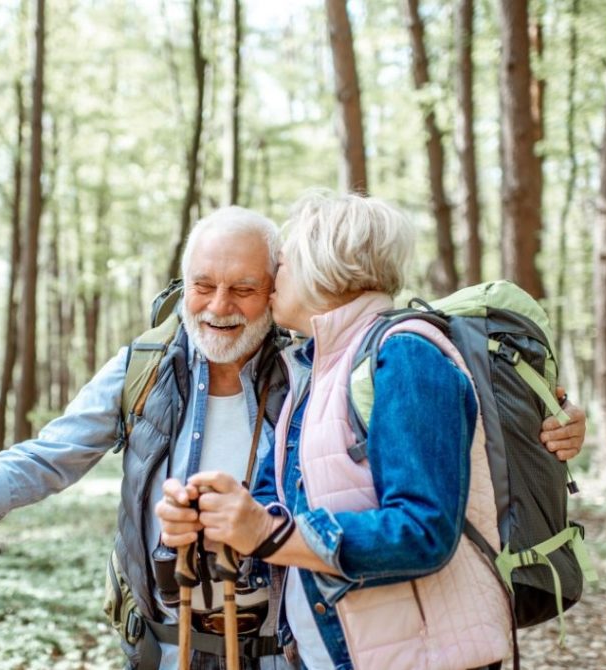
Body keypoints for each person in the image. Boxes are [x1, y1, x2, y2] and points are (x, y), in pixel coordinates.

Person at [0, 206, 586, 670]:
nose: (219, 308)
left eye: (244, 289)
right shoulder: (148, 368)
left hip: (292, 645)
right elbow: (52, 453)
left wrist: (551, 426)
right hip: (168, 642)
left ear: (280, 286)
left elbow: (420, 457)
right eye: (203, 286)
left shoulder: (314, 366)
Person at [157, 192, 560, 669]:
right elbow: (275, 512)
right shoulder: (314, 370)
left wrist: (267, 530)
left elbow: (422, 530)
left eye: (282, 265)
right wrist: (212, 522)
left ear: (321, 268)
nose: (269, 287)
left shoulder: (405, 354)